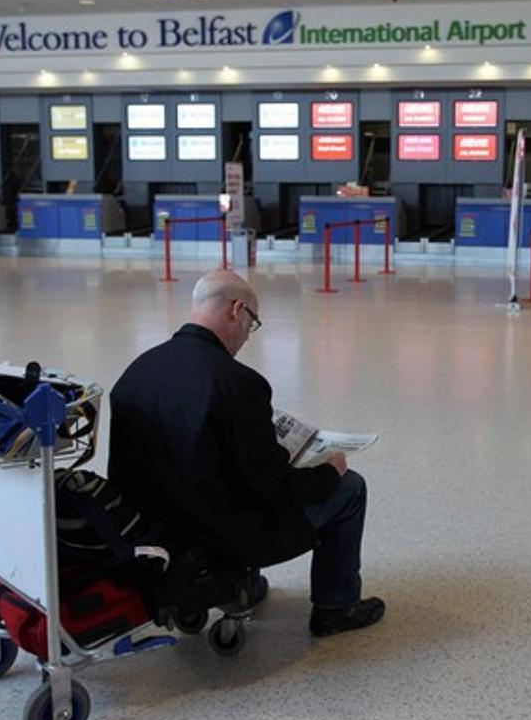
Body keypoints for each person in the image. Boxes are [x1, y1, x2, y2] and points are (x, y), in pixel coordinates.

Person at [108, 270, 385, 637]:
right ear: (237, 310)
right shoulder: (238, 384)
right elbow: (276, 490)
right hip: (219, 537)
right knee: (349, 488)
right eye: (252, 322)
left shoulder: (137, 371)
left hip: (148, 531)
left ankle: (245, 586)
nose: (246, 336)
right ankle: (336, 607)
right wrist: (329, 471)